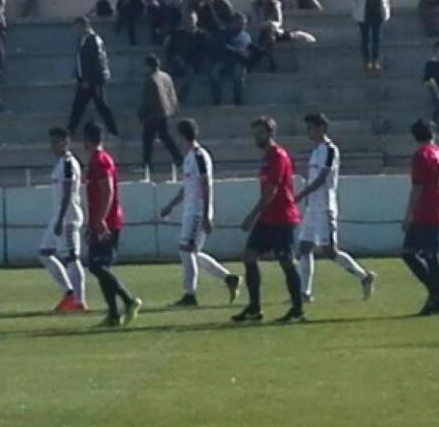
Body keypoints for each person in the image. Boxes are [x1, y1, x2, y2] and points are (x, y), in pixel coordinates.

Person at [293, 113, 376, 302]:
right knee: (304, 247)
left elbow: (323, 178)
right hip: (313, 207)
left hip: (324, 207)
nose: (308, 132)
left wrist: (301, 195)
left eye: (311, 128)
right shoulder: (315, 151)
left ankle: (364, 277)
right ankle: (304, 292)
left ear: (322, 128)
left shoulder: (330, 150)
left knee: (330, 251)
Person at [159, 119, 241, 306]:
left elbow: (206, 185)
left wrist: (205, 215)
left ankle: (190, 295)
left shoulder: (198, 156)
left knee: (186, 251)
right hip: (190, 210)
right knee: (191, 252)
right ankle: (229, 279)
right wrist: (171, 205)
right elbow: (188, 187)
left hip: (197, 212)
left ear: (182, 136)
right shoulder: (189, 158)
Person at [233, 117, 305, 323]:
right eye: (255, 134)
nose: (257, 138)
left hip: (282, 217)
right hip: (268, 218)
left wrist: (252, 215)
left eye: (260, 133)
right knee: (249, 256)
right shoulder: (266, 158)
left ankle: (298, 309)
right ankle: (254, 308)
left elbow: (271, 191)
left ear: (270, 134)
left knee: (286, 261)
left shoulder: (277, 156)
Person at [83, 122, 142, 328]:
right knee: (99, 266)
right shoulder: (96, 160)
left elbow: (107, 191)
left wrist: (100, 220)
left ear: (86, 139)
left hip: (108, 222)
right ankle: (114, 314)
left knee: (97, 265)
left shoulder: (100, 161)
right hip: (100, 221)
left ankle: (129, 301)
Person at [401, 119, 439, 316]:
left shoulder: (422, 155)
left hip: (425, 212)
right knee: (410, 253)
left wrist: (408, 214)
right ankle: (435, 295)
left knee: (428, 256)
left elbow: (417, 187)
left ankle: (436, 297)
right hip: (435, 209)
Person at [39, 127, 88, 313]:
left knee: (72, 258)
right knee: (44, 253)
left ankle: (79, 300)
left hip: (67, 217)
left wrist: (60, 219)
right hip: (58, 216)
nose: (52, 146)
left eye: (55, 142)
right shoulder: (60, 163)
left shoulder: (68, 163)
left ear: (65, 143)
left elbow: (68, 192)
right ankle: (69, 293)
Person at [67, 17, 119, 135]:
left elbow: (96, 62)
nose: (76, 31)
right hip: (85, 81)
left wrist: (90, 80)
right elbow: (81, 61)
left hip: (93, 82)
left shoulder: (93, 40)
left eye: (78, 28)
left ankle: (113, 130)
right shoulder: (83, 40)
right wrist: (77, 75)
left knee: (101, 106)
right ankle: (70, 131)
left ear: (85, 26)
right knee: (78, 107)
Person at [138, 55, 182, 173]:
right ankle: (178, 159)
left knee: (148, 139)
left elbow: (149, 99)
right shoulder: (166, 76)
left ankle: (146, 164)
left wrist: (142, 113)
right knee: (164, 136)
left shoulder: (150, 79)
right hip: (165, 112)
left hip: (153, 114)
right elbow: (172, 94)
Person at [353, 0, 391, 72]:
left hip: (377, 12)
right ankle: (366, 61)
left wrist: (386, 10)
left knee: (376, 39)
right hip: (364, 12)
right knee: (365, 39)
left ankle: (375, 60)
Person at [208, 12, 252, 106]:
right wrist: (237, 52)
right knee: (214, 72)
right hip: (223, 60)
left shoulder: (246, 36)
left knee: (239, 74)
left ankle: (238, 100)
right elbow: (223, 46)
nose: (242, 26)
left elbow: (248, 48)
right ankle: (217, 100)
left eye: (244, 24)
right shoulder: (223, 33)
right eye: (240, 23)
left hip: (238, 62)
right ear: (233, 23)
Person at [167, 8, 209, 101]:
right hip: (177, 61)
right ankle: (170, 97)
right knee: (169, 73)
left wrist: (186, 61)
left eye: (191, 19)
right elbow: (170, 49)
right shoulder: (177, 34)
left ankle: (182, 95)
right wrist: (175, 58)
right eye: (187, 19)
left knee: (188, 72)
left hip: (193, 64)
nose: (189, 22)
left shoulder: (202, 35)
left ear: (196, 20)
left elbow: (201, 53)